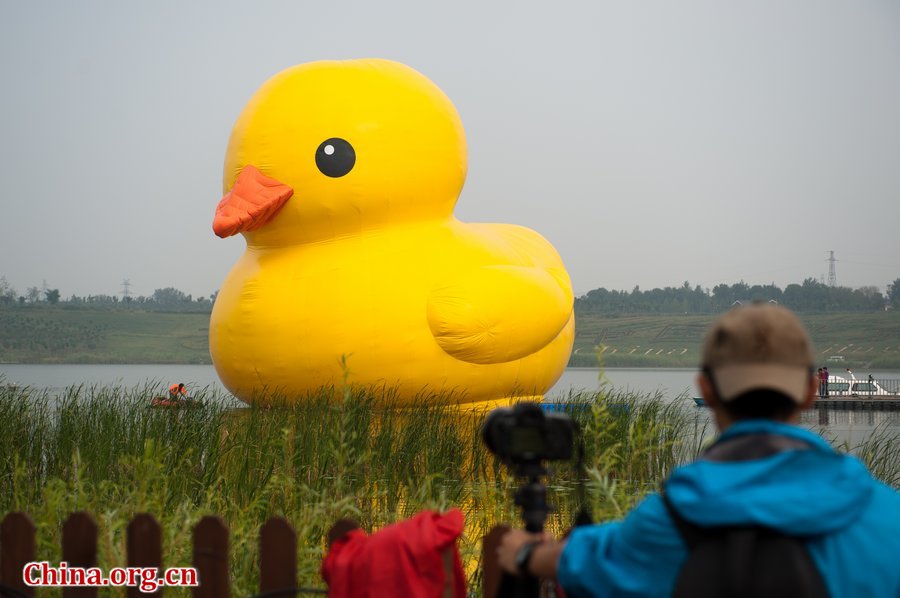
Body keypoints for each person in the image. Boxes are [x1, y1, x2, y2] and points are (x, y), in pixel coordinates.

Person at [497, 304, 900, 596]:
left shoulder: (669, 522)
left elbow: (591, 559)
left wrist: (525, 554)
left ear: (706, 388)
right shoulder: (888, 517)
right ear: (811, 391)